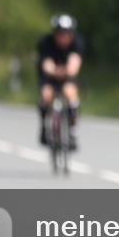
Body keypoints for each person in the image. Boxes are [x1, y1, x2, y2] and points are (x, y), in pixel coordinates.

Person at [36, 14, 84, 149]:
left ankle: (73, 131)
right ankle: (45, 128)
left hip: (66, 74)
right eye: (60, 34)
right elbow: (46, 64)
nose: (63, 37)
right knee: (46, 95)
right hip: (49, 75)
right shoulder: (45, 42)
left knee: (71, 94)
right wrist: (54, 71)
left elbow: (74, 63)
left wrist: (67, 70)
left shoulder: (77, 42)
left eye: (66, 34)